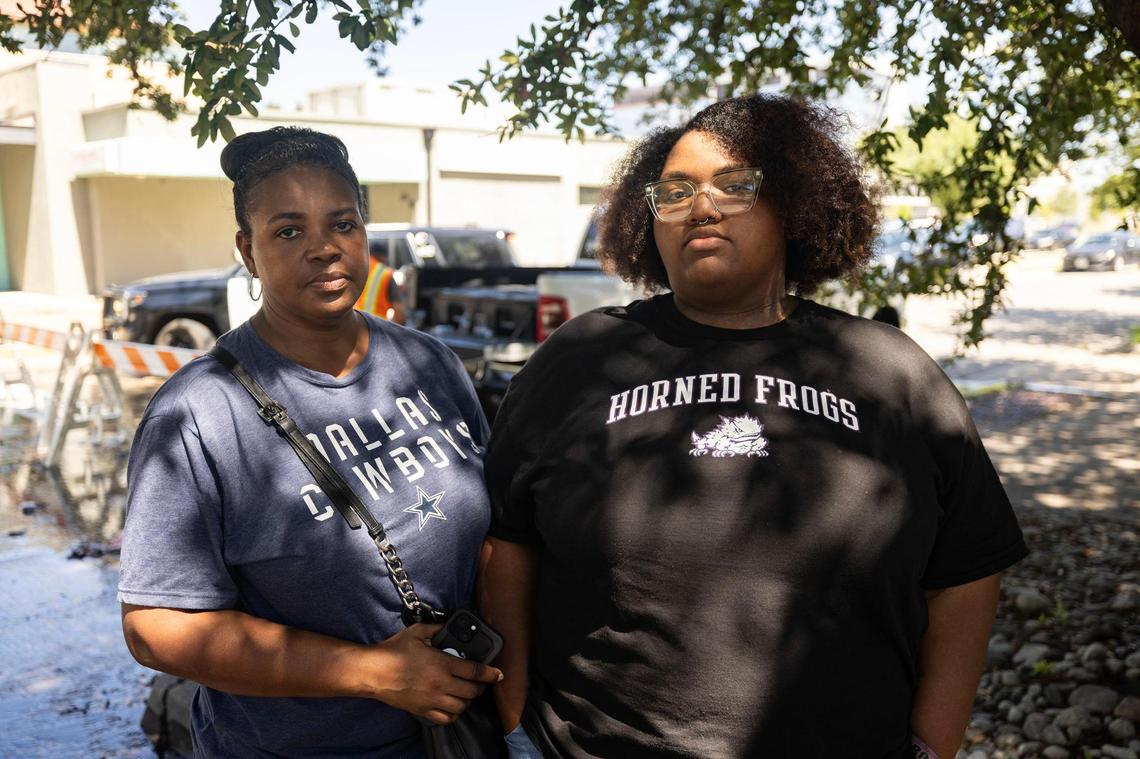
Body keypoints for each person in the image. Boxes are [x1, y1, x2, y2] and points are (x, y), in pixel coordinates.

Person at [478, 94, 1028, 759]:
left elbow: (970, 563)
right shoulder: (576, 361)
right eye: (674, 192)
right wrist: (514, 724)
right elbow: (506, 543)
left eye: (734, 186)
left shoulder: (891, 374)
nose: (701, 207)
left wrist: (933, 742)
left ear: (793, 203)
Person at [118, 126, 502, 758]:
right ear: (247, 249)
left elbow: (495, 535)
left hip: (455, 738)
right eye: (289, 231)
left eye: (343, 225)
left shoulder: (430, 363)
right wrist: (372, 672)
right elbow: (157, 628)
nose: (324, 249)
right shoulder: (197, 415)